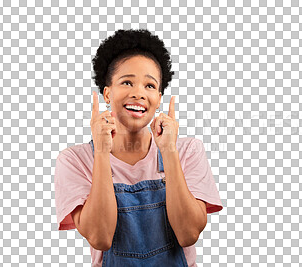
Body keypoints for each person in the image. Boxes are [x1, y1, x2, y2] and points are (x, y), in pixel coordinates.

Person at [54, 28, 223, 266]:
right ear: (107, 93)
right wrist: (102, 153)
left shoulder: (188, 150)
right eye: (127, 82)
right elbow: (100, 238)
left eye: (150, 86)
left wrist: (169, 152)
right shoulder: (75, 160)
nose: (139, 93)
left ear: (159, 98)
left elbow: (188, 234)